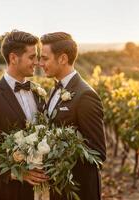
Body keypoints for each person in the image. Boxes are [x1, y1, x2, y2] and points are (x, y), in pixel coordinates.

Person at [0, 30, 48, 200]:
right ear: (13, 58)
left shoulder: (38, 92)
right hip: (8, 192)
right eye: (32, 57)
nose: (37, 62)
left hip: (42, 191)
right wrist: (15, 172)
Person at [39, 32, 106, 200]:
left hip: (79, 190)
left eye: (45, 58)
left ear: (62, 59)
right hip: (59, 187)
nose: (40, 63)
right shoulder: (56, 88)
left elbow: (98, 152)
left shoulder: (85, 96)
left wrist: (60, 156)